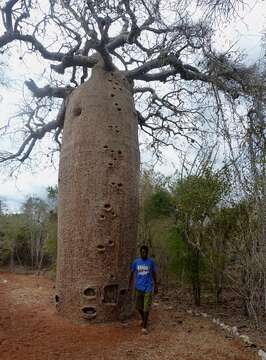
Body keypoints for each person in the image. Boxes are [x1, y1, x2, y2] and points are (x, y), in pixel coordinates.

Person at [129, 245, 158, 334]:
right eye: (142, 252)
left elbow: (154, 274)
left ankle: (144, 327)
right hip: (138, 287)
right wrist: (129, 284)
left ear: (147, 253)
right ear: (140, 252)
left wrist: (156, 285)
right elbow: (132, 273)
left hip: (148, 287)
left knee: (146, 307)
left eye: (145, 252)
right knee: (138, 307)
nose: (144, 253)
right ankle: (144, 318)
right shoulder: (136, 262)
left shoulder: (151, 262)